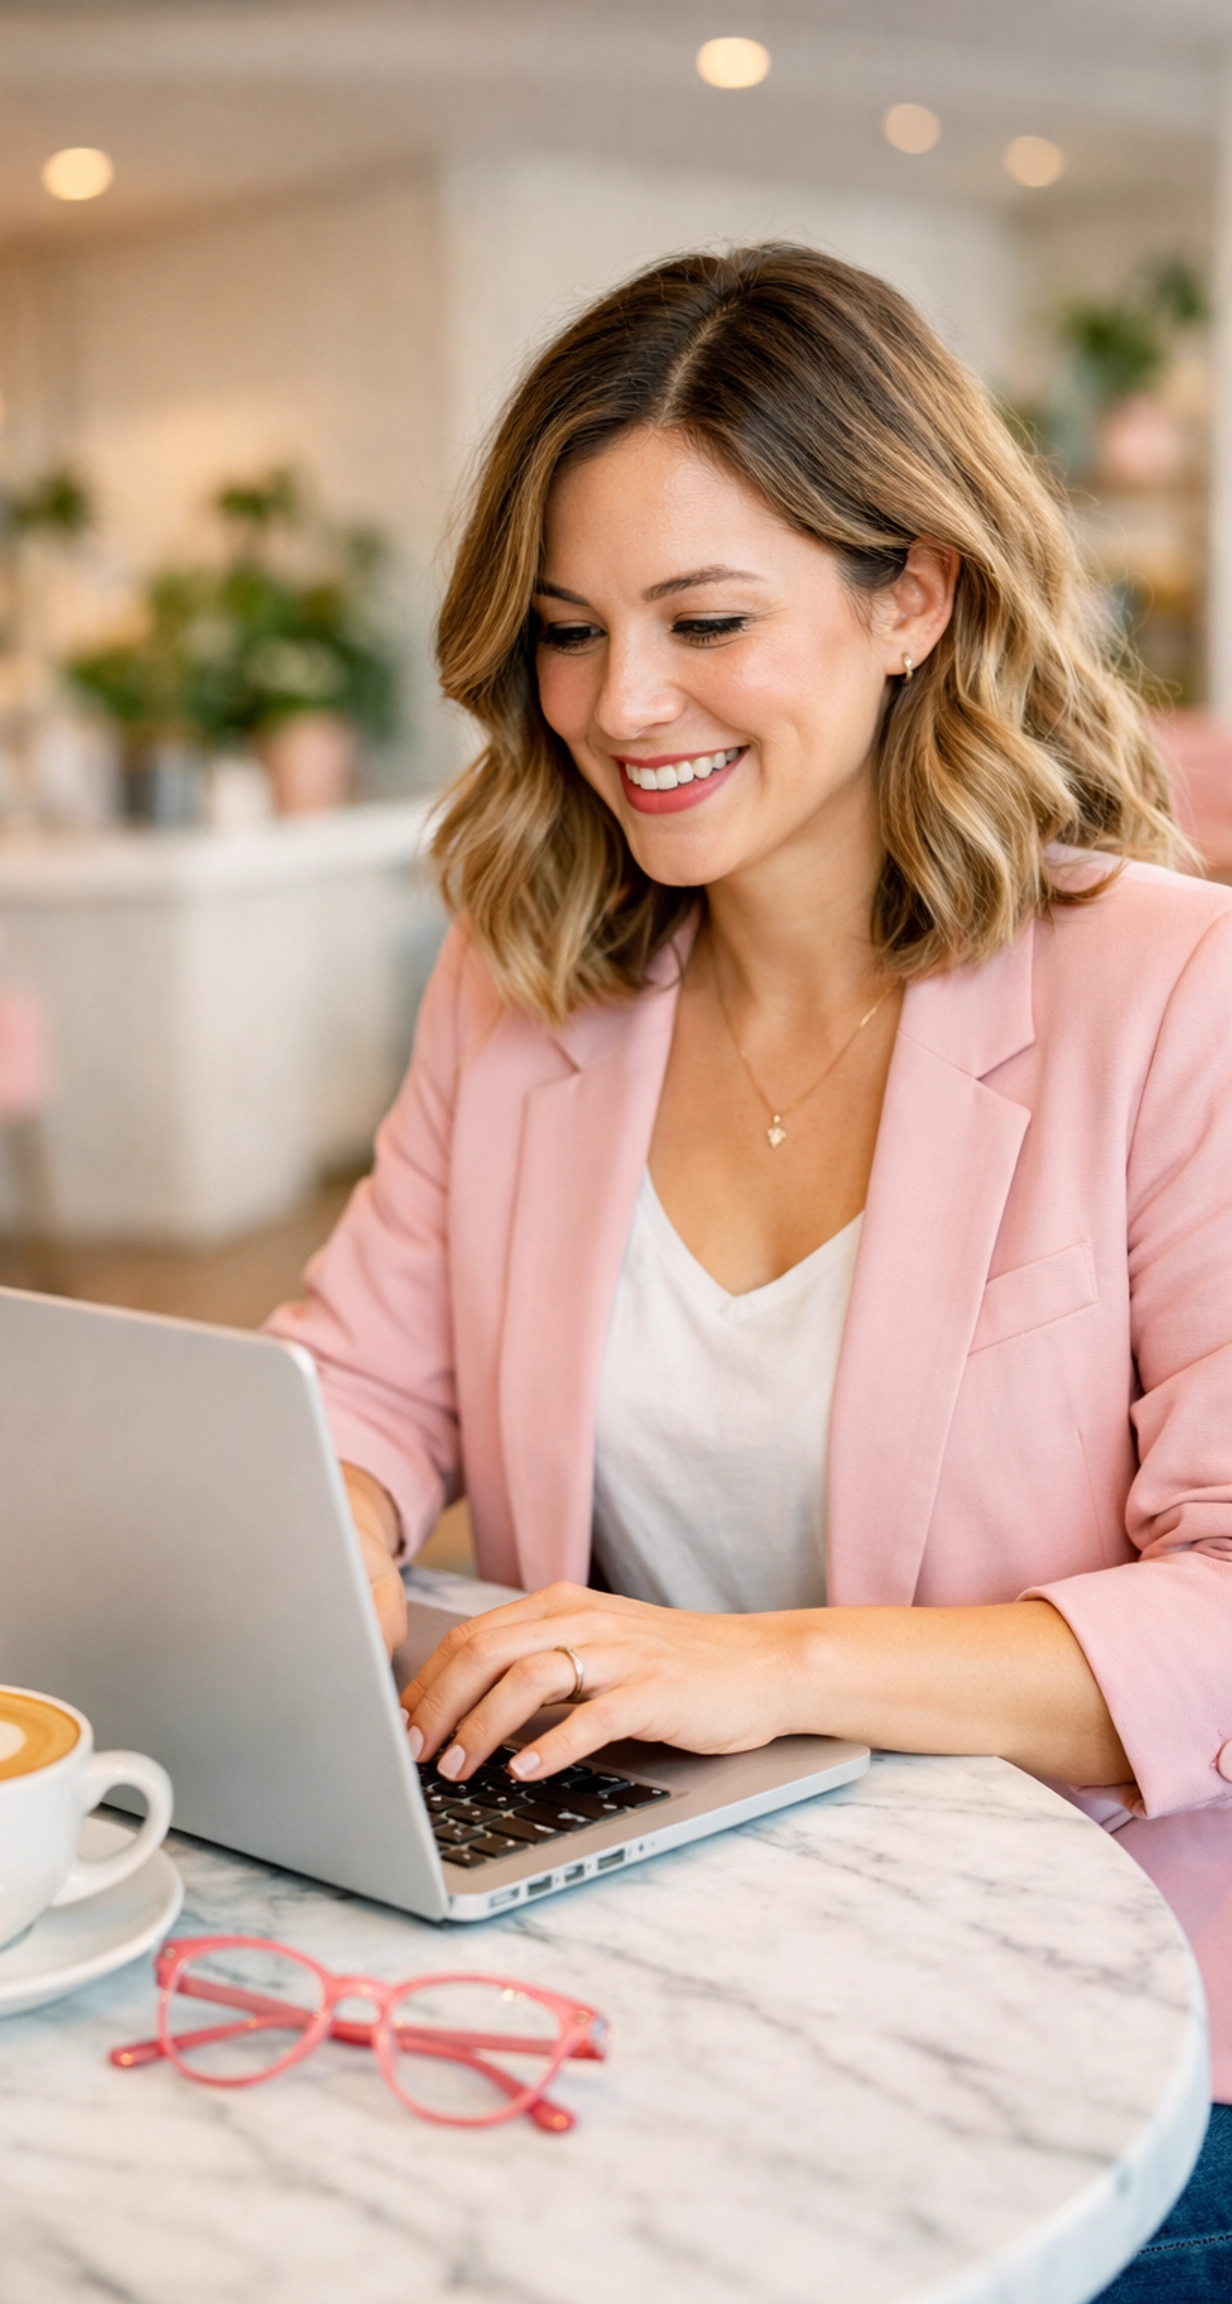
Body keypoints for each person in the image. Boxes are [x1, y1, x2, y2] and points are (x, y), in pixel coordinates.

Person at [265, 246, 1232, 2296]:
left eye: (708, 622)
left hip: (1107, 2033)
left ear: (915, 596)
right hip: (660, 1966)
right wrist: (314, 1551)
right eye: (567, 633)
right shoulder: (531, 986)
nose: (623, 708)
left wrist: (750, 1666)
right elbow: (351, 1384)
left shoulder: (1171, 994)